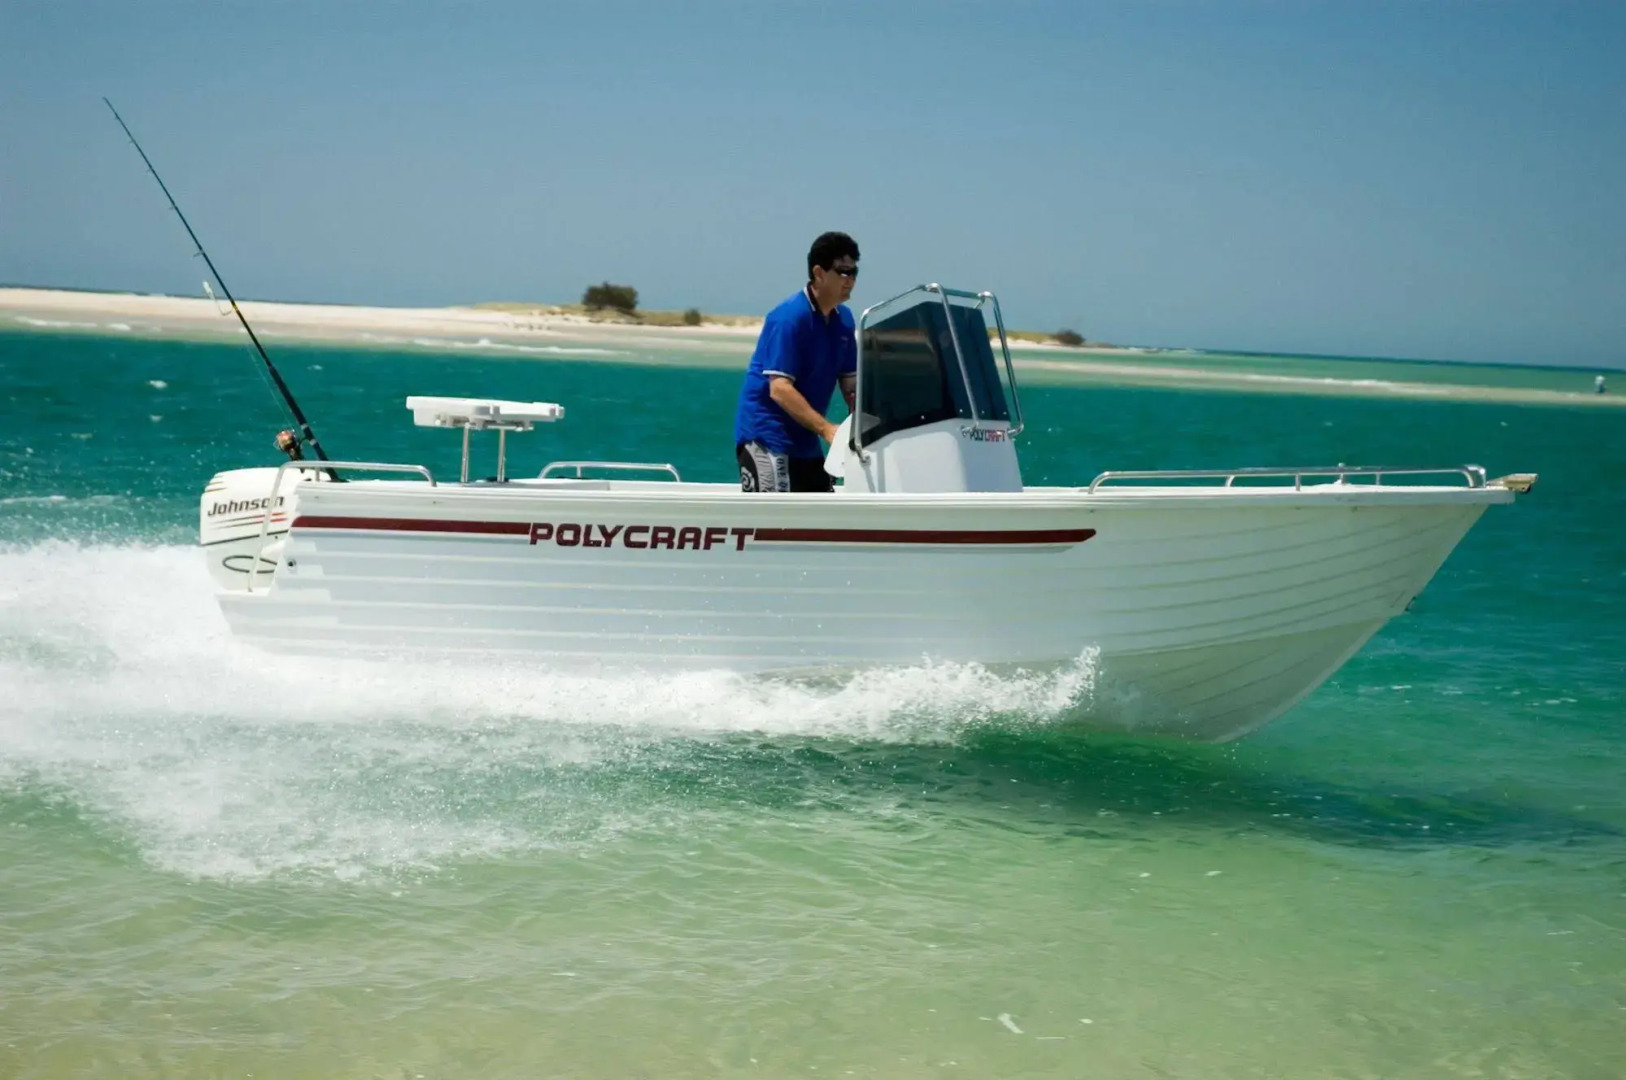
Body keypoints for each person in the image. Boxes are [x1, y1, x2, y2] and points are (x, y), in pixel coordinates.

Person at [733, 232, 860, 492]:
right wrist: (827, 430)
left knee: (821, 511)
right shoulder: (789, 318)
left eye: (854, 272)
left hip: (806, 440)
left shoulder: (845, 321)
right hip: (766, 438)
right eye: (843, 272)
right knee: (775, 513)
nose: (850, 279)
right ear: (819, 273)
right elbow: (779, 389)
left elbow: (851, 386)